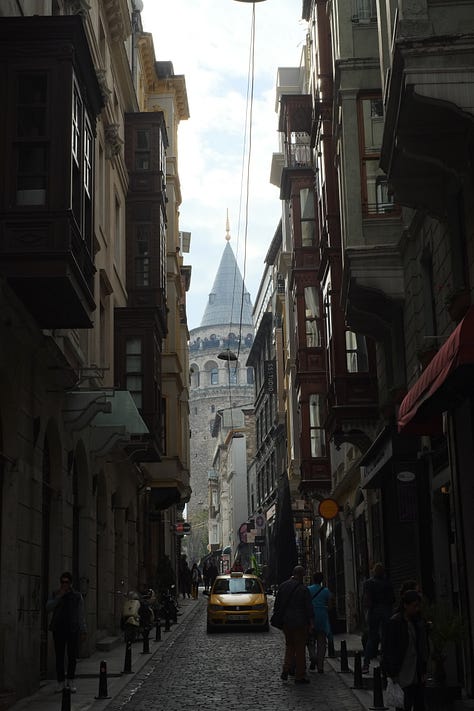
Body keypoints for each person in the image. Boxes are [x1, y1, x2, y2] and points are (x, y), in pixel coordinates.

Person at [382, 590, 428, 710]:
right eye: (414, 606)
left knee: (420, 704)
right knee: (404, 705)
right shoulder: (395, 623)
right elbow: (388, 649)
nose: (417, 609)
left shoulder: (417, 622)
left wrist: (423, 669)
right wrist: (392, 672)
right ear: (405, 605)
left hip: (416, 672)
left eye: (418, 606)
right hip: (402, 672)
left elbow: (421, 647)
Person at [273, 565, 314, 684]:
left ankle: (286, 669)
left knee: (289, 646)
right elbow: (308, 608)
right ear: (301, 575)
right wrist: (311, 623)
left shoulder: (283, 586)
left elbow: (277, 605)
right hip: (300, 623)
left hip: (286, 622)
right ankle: (299, 675)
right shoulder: (303, 589)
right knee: (300, 649)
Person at [46, 571, 86, 694]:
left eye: (66, 582)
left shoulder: (77, 596)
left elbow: (80, 614)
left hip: (72, 629)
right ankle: (60, 682)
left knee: (72, 656)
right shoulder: (55, 594)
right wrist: (59, 596)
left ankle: (71, 680)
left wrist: (83, 629)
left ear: (71, 583)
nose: (64, 585)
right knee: (59, 656)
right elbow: (48, 607)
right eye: (62, 582)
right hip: (58, 629)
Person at [362, 562, 395, 673]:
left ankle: (366, 664)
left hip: (374, 611)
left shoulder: (368, 583)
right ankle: (384, 663)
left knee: (372, 637)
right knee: (385, 638)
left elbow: (366, 599)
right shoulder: (388, 583)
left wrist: (367, 612)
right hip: (386, 611)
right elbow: (392, 599)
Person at [306, 571, 332, 673]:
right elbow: (330, 607)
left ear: (313, 579)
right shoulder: (326, 591)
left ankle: (313, 657)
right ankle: (320, 666)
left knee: (310, 640)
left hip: (311, 616)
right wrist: (322, 607)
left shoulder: (308, 590)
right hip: (322, 617)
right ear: (322, 580)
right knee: (321, 643)